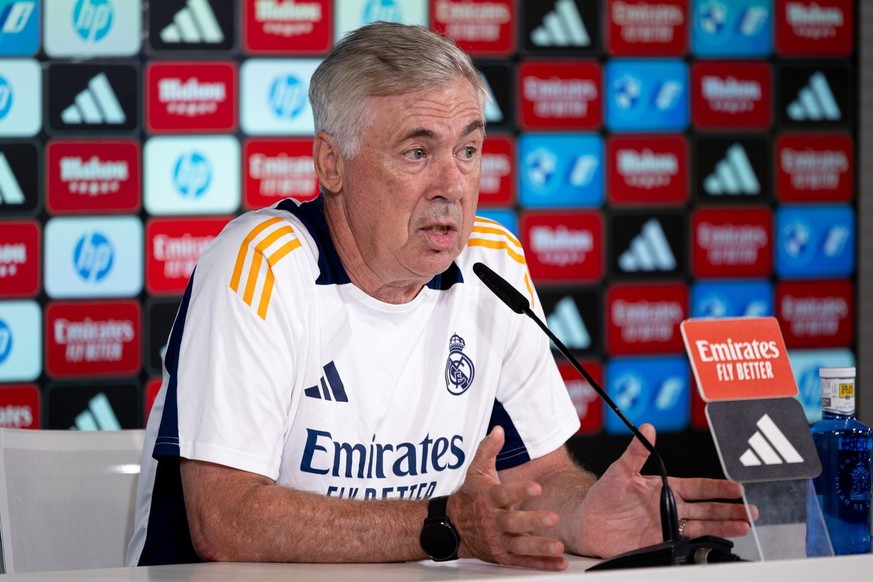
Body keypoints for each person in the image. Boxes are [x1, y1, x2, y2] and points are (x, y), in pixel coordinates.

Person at [126, 21, 753, 571]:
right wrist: (444, 524)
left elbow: (539, 477)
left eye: (468, 150)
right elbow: (226, 520)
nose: (452, 184)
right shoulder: (260, 264)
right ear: (331, 164)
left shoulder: (492, 264)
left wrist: (583, 515)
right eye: (417, 151)